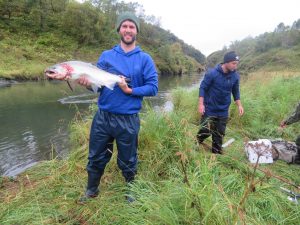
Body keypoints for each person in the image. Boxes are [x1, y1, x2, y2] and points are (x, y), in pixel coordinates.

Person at [77, 12, 158, 202]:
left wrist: (130, 90)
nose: (128, 30)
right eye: (125, 26)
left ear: (136, 31)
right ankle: (91, 190)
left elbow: (153, 88)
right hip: (103, 117)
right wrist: (87, 83)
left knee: (128, 159)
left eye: (131, 26)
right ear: (119, 29)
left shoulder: (145, 59)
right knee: (96, 155)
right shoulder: (106, 56)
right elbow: (96, 86)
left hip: (128, 119)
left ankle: (131, 190)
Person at [197, 51, 244, 154]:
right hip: (209, 108)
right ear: (226, 62)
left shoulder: (235, 76)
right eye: (233, 63)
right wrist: (201, 104)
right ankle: (197, 141)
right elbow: (203, 88)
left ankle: (216, 153)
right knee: (206, 130)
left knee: (219, 133)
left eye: (237, 63)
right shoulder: (212, 73)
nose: (235, 66)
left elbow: (236, 91)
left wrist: (239, 105)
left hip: (223, 110)